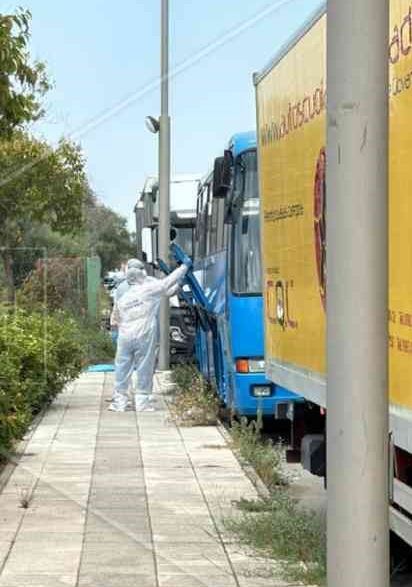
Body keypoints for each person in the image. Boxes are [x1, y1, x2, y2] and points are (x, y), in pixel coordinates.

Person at [109, 259, 190, 412]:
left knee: (122, 368)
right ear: (141, 273)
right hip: (144, 334)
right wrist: (184, 268)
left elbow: (116, 315)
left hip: (125, 334)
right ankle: (142, 402)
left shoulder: (122, 291)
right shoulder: (147, 288)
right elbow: (166, 286)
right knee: (144, 367)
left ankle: (119, 402)